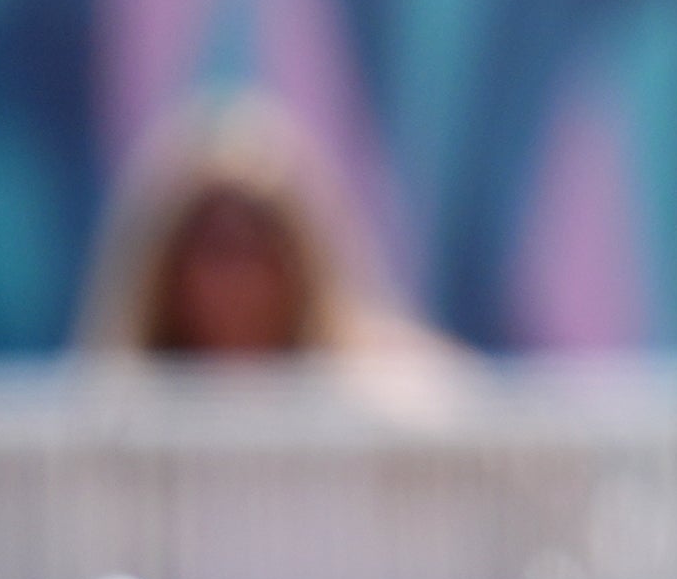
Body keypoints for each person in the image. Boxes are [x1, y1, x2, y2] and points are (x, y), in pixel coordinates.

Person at [71, 91, 451, 375]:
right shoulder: (111, 417)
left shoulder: (392, 387)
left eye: (259, 248)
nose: (237, 280)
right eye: (214, 249)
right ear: (164, 273)